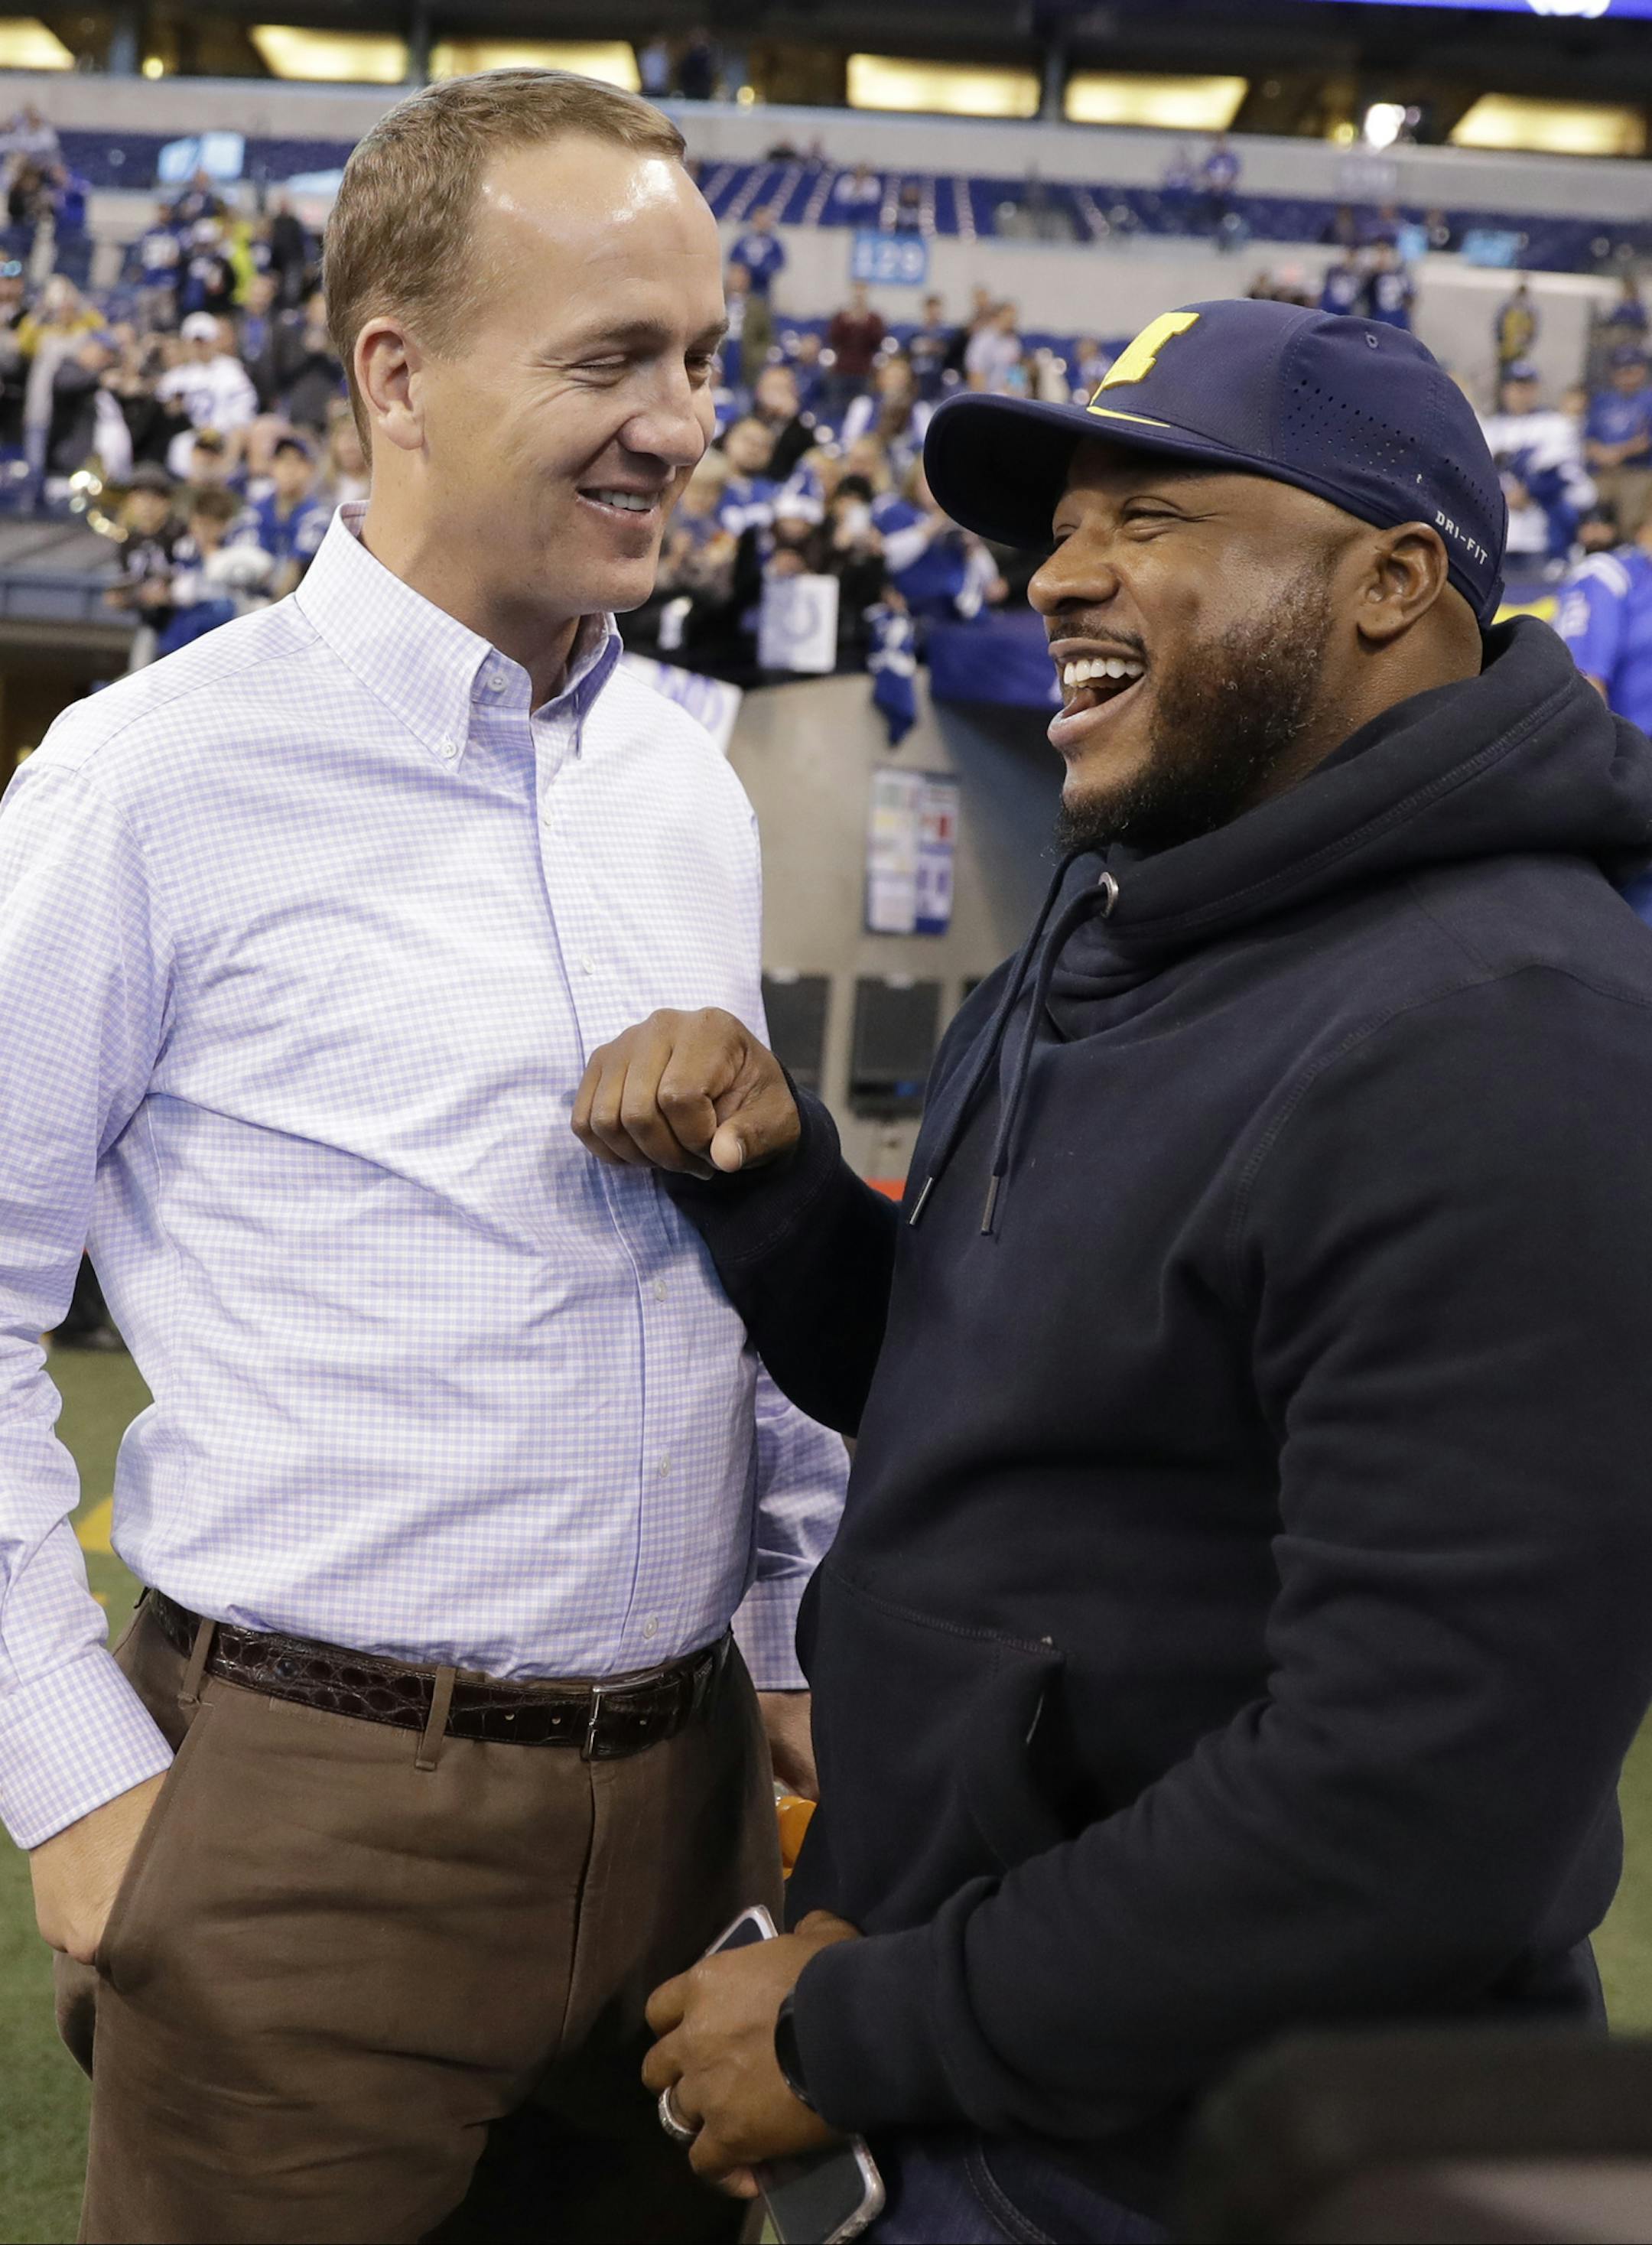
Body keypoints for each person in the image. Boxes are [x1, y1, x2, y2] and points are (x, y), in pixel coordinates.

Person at [575, 299, 1652, 2243]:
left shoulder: (1515, 1031)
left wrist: (855, 2031)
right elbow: (994, 1387)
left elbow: (1415, 1812)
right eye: (1058, 523)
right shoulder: (1131, 899)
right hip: (1004, 2080)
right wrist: (780, 1199)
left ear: (1389, 584)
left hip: (1226, 2156)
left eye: (1147, 518)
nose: (1056, 569)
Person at [6, 69, 844, 2243]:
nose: (681, 423)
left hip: (686, 1817)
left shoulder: (688, 778)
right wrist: (76, 1777)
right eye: (610, 360)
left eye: (702, 361)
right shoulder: (152, 780)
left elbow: (729, 1267)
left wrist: (780, 1627)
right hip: (306, 1806)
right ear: (394, 371)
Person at [1480, 358, 1595, 576]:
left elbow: (1565, 473)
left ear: (1536, 389)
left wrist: (1529, 492)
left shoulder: (1556, 425)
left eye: (1526, 387)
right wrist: (1504, 495)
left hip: (1542, 535)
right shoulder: (1489, 428)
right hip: (1498, 537)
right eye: (1515, 386)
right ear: (1505, 389)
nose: (1521, 393)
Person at [233, 430, 331, 593]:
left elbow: (297, 568)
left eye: (297, 461)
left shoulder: (318, 515)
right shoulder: (254, 512)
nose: (289, 469)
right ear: (272, 467)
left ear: (310, 469)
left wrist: (272, 608)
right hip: (252, 598)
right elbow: (245, 560)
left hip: (299, 600)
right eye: (282, 461)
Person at [155, 308, 257, 457]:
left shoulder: (231, 369)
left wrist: (218, 429)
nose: (199, 347)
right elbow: (162, 411)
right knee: (179, 445)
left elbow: (244, 411)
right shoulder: (175, 377)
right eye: (194, 342)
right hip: (190, 436)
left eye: (203, 341)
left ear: (214, 340)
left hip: (224, 436)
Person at [1585, 343, 1652, 538]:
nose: (1626, 374)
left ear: (1642, 369)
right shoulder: (1602, 400)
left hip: (1637, 471)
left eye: (1631, 368)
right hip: (1602, 471)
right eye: (1620, 369)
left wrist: (1616, 453)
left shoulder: (1648, 399)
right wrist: (1601, 453)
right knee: (1589, 513)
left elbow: (1645, 440)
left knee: (1631, 522)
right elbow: (1588, 438)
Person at [825, 280, 884, 412]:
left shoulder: (874, 319)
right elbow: (833, 339)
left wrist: (865, 323)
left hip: (864, 371)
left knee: (862, 408)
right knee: (837, 408)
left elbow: (878, 341)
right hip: (842, 370)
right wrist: (848, 323)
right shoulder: (841, 317)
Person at [730, 205, 785, 309]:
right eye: (759, 220)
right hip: (742, 290)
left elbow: (779, 263)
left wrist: (761, 269)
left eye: (765, 220)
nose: (762, 223)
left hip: (762, 289)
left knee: (761, 314)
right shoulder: (744, 240)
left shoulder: (774, 242)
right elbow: (734, 259)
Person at [1364, 239, 1414, 330]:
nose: (1382, 257)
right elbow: (1364, 298)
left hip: (1398, 320)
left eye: (1384, 252)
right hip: (1379, 319)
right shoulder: (1372, 276)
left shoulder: (1401, 274)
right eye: (1379, 252)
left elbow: (1410, 298)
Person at [1494, 276, 1538, 373]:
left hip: (1521, 351)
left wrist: (1526, 345)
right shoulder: (1507, 309)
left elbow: (1532, 331)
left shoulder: (1530, 312)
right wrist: (1501, 344)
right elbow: (1499, 327)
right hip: (1505, 350)